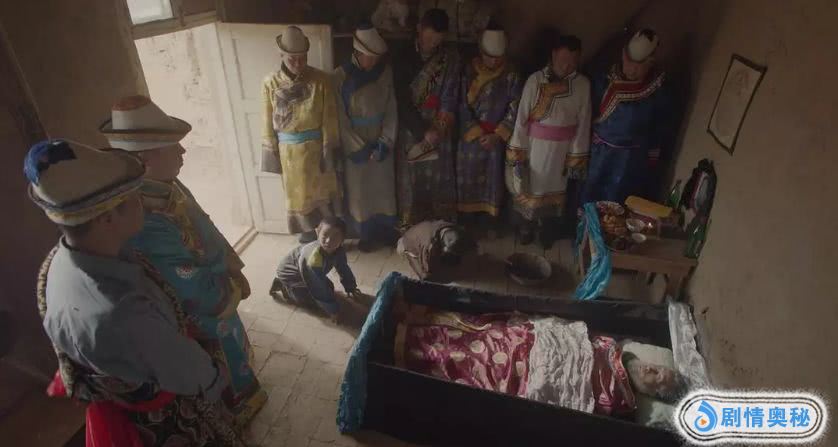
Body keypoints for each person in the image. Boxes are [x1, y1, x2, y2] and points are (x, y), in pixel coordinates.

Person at [25, 140, 242, 446]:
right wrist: (217, 375)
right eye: (134, 197)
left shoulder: (59, 261)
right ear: (107, 218)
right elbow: (189, 372)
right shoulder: (123, 314)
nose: (142, 201)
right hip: (162, 419)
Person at [99, 95, 266, 426]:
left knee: (233, 349)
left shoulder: (166, 185)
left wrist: (230, 265)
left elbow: (203, 224)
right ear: (145, 160)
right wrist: (228, 289)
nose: (183, 151)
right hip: (200, 304)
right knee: (221, 359)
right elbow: (185, 282)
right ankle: (233, 410)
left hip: (214, 281)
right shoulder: (143, 217)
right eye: (173, 146)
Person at [506, 34, 591, 248]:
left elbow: (584, 123)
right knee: (529, 188)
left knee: (555, 193)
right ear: (553, 55)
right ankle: (526, 227)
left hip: (562, 151)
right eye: (563, 60)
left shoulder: (583, 85)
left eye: (572, 61)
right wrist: (518, 151)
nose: (567, 66)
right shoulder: (535, 80)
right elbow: (521, 118)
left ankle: (547, 231)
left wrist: (575, 157)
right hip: (535, 147)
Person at [261, 25, 342, 242]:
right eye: (292, 59)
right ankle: (307, 237)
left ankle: (330, 237)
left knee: (322, 197)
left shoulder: (321, 80)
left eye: (302, 58)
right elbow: (266, 120)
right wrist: (270, 154)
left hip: (317, 150)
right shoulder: (270, 83)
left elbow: (329, 118)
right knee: (299, 199)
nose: (298, 64)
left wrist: (329, 152)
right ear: (281, 55)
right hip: (289, 155)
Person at [581, 29, 671, 204]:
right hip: (599, 153)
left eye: (639, 66)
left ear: (650, 63)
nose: (632, 70)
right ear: (623, 56)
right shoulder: (604, 81)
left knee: (618, 200)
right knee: (590, 195)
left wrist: (652, 159)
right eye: (629, 63)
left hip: (630, 159)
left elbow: (659, 127)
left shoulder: (657, 92)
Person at [334, 23, 399, 252]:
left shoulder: (385, 72)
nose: (372, 62)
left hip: (380, 136)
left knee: (383, 189)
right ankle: (365, 234)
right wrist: (359, 148)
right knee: (360, 193)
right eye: (368, 57)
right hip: (356, 140)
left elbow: (391, 108)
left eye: (375, 58)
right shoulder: (340, 76)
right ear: (357, 52)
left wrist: (385, 140)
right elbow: (339, 117)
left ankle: (386, 231)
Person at [393, 8, 461, 226]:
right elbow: (401, 99)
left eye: (437, 40)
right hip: (411, 124)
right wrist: (422, 130)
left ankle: (440, 224)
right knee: (410, 176)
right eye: (428, 38)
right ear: (419, 29)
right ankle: (409, 223)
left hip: (439, 124)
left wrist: (438, 127)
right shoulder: (401, 55)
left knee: (438, 176)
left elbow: (451, 95)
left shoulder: (449, 59)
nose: (431, 44)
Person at [456, 24, 523, 236]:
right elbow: (460, 104)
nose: (493, 62)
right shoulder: (468, 71)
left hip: (496, 139)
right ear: (481, 51)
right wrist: (476, 131)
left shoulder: (511, 74)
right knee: (467, 179)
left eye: (498, 58)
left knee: (493, 182)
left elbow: (516, 107)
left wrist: (498, 135)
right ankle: (467, 222)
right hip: (470, 137)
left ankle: (490, 223)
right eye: (489, 57)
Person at [270, 216, 362, 318]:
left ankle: (293, 288)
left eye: (335, 237)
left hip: (304, 269)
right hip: (291, 275)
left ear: (342, 239)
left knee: (329, 287)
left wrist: (351, 287)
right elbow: (317, 286)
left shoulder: (338, 250)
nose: (328, 241)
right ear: (318, 232)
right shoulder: (313, 258)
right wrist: (333, 310)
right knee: (310, 300)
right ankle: (284, 287)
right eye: (325, 235)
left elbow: (343, 268)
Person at [396, 220, 473, 281]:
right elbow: (427, 267)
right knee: (426, 276)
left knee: (455, 259)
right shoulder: (429, 246)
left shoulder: (453, 229)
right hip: (409, 242)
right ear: (444, 249)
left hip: (422, 230)